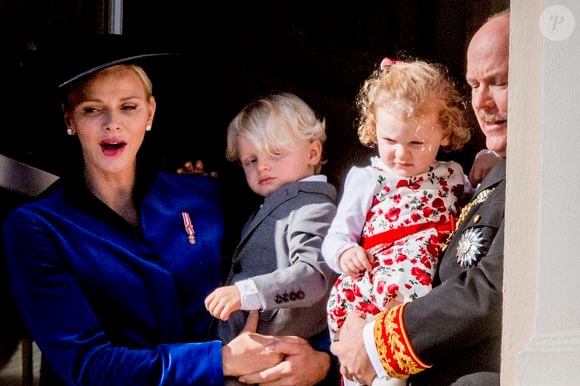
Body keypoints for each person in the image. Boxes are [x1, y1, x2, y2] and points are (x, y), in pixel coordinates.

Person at [1, 35, 325, 386]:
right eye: (92, 109)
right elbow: (86, 366)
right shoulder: (36, 227)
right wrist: (221, 360)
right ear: (70, 118)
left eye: (129, 107)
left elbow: (289, 270)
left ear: (150, 113)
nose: (113, 123)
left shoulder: (202, 193)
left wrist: (319, 360)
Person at [330, 10, 508, 386]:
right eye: (474, 85)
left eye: (501, 82)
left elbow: (494, 290)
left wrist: (376, 344)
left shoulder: (511, 175)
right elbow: (336, 242)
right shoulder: (370, 179)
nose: (483, 102)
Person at [322, 58, 471, 386]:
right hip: (375, 292)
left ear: (444, 132)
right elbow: (334, 238)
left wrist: (489, 159)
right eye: (390, 141)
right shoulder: (368, 179)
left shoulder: (454, 176)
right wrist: (345, 253)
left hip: (418, 305)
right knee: (371, 374)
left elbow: (476, 213)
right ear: (374, 128)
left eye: (416, 143)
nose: (401, 154)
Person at [204, 92, 339, 385]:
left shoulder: (313, 208)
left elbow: (313, 277)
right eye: (251, 160)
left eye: (275, 153)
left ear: (313, 153)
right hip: (242, 355)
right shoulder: (277, 204)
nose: (262, 166)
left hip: (273, 362)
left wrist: (246, 292)